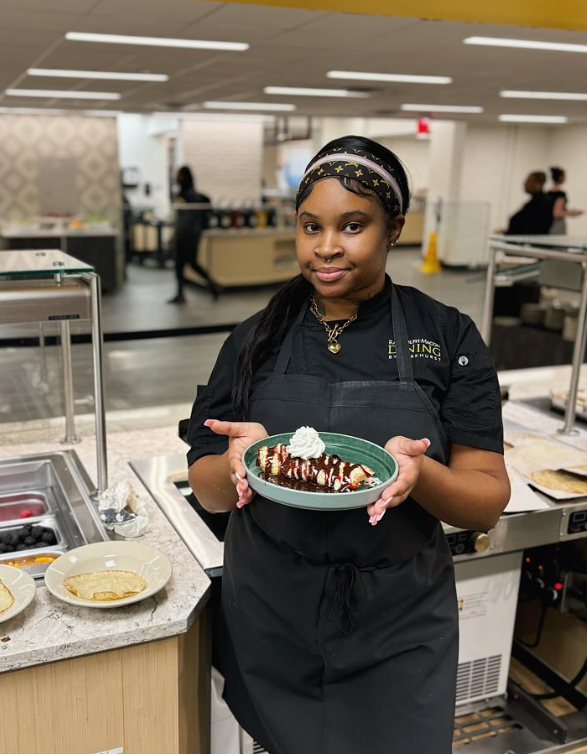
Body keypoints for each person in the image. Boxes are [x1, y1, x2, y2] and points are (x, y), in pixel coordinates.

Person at [186, 135, 510, 754]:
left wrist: (421, 475)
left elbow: (486, 499)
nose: (326, 247)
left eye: (353, 225)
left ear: (394, 229)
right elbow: (208, 486)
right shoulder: (255, 338)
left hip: (398, 618)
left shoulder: (446, 335)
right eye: (312, 226)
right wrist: (239, 465)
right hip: (272, 608)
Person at [168, 166, 221, 304]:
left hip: (187, 235)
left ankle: (212, 285)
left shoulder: (188, 196)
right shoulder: (189, 194)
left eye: (179, 175)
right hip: (192, 235)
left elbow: (186, 218)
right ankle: (210, 286)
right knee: (186, 264)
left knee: (186, 264)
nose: (177, 177)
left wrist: (177, 234)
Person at [548, 166, 583, 235]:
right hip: (556, 225)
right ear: (561, 177)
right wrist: (571, 213)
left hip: (548, 223)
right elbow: (557, 213)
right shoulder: (560, 194)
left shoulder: (548, 193)